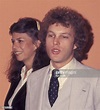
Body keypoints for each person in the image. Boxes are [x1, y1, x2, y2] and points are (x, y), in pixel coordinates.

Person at [25, 7, 100, 110]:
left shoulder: (95, 80)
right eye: (51, 35)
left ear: (76, 43)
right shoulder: (33, 79)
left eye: (64, 37)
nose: (55, 42)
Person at [4, 17, 50, 110]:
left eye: (20, 41)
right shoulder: (19, 75)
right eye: (13, 41)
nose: (14, 47)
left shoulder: (45, 76)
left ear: (36, 44)